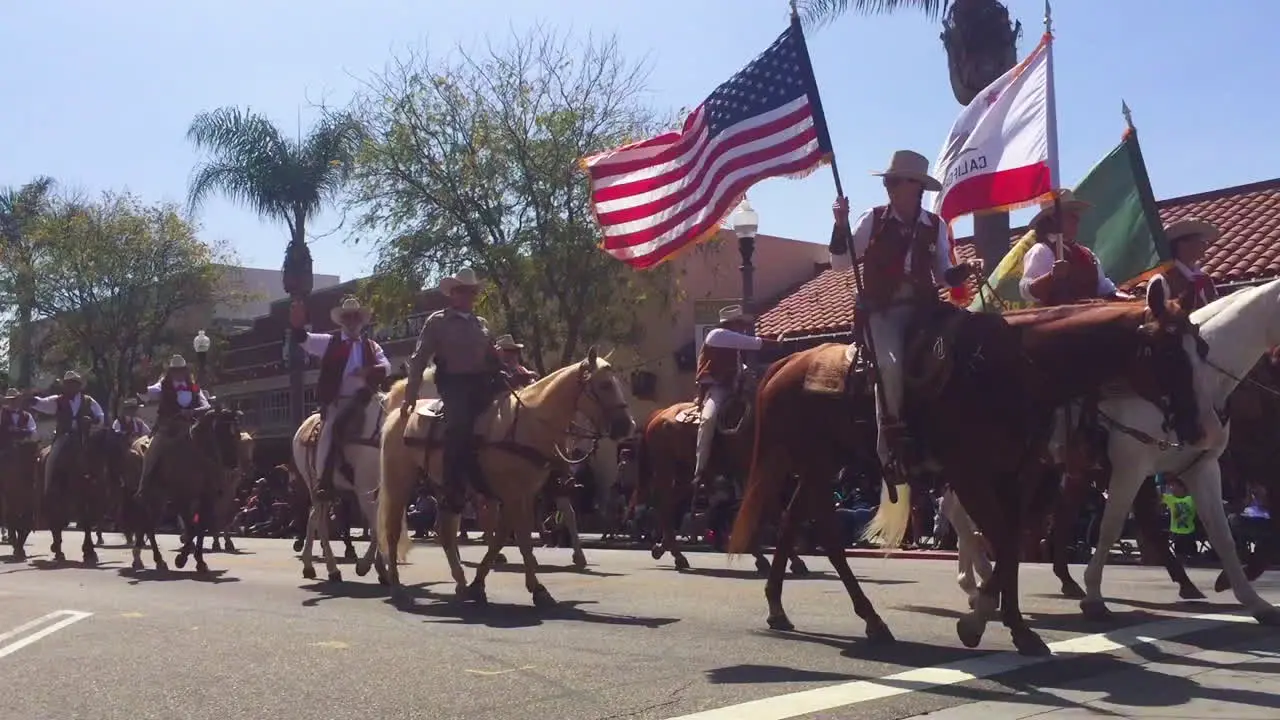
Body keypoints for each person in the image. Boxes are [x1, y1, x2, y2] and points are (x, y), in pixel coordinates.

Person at [828, 150, 981, 479]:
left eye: (920, 184)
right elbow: (840, 263)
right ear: (894, 186)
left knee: (962, 347)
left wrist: (964, 270)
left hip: (925, 311)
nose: (919, 190)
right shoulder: (874, 218)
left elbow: (943, 275)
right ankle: (892, 448)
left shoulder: (933, 225)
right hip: (882, 312)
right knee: (890, 364)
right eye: (912, 183)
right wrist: (840, 225)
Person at [401, 267, 502, 512]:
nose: (466, 296)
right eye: (461, 291)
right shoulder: (438, 321)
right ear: (453, 294)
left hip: (483, 382)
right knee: (458, 425)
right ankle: (451, 488)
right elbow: (419, 357)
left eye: (470, 292)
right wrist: (410, 395)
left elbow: (491, 356)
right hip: (454, 383)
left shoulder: (482, 324)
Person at [289, 295, 390, 499]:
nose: (352, 321)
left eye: (356, 318)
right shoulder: (329, 342)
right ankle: (324, 479)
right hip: (339, 401)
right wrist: (297, 328)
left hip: (367, 400)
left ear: (361, 321)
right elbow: (305, 340)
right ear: (342, 321)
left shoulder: (371, 346)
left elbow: (386, 367)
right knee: (330, 430)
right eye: (348, 318)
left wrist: (369, 371)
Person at [693, 304, 776, 486]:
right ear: (731, 324)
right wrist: (777, 342)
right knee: (708, 419)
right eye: (739, 323)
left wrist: (745, 373)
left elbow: (738, 364)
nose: (743, 327)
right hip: (718, 388)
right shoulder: (717, 335)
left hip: (736, 386)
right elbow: (754, 344)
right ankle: (700, 469)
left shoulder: (730, 342)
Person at [1019, 190, 1133, 305]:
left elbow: (1105, 288)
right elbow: (1026, 291)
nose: (1077, 219)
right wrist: (1051, 276)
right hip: (1059, 319)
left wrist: (1128, 299)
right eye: (1071, 214)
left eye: (1076, 214)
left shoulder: (1087, 253)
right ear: (1053, 219)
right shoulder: (1041, 250)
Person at [136, 354, 210, 490]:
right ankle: (143, 487)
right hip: (168, 428)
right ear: (170, 371)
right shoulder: (162, 386)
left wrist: (192, 411)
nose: (178, 373)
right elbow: (144, 394)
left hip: (191, 427)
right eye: (175, 370)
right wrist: (144, 374)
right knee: (152, 451)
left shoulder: (193, 387)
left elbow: (206, 406)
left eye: (181, 369)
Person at [28, 370, 105, 491]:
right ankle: (47, 489)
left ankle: (99, 489)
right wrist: (31, 399)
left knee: (99, 457)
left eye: (73, 383)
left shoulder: (88, 401)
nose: (70, 386)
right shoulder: (57, 400)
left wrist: (93, 420)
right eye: (68, 384)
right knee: (51, 458)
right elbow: (43, 404)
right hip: (63, 436)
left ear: (79, 386)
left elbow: (100, 415)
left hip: (83, 436)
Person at [1161, 218, 1220, 309]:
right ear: (1182, 245)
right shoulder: (1164, 280)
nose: (1205, 245)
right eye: (1200, 241)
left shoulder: (1205, 278)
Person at [1160, 475, 1199, 559]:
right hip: (1176, 533)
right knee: (1179, 549)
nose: (1171, 488)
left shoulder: (1192, 499)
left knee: (1190, 546)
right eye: (1170, 486)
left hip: (1190, 532)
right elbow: (1157, 495)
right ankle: (1181, 557)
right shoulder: (1170, 499)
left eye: (1174, 486)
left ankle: (1192, 556)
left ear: (1182, 487)